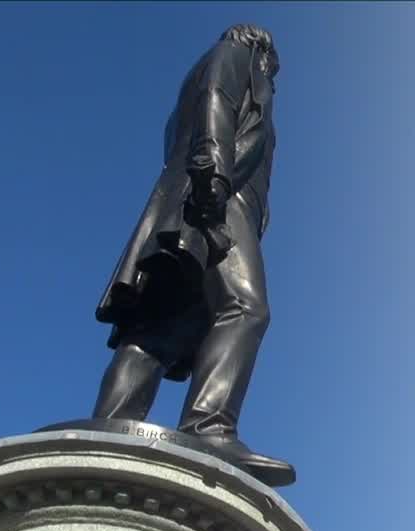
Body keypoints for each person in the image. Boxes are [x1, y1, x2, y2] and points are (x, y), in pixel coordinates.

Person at [92, 24, 291, 484]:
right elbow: (215, 101)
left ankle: (107, 429)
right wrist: (214, 176)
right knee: (245, 307)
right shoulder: (235, 57)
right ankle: (209, 426)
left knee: (159, 330)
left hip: (201, 195)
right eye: (272, 66)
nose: (272, 76)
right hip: (218, 199)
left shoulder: (201, 75)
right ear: (261, 49)